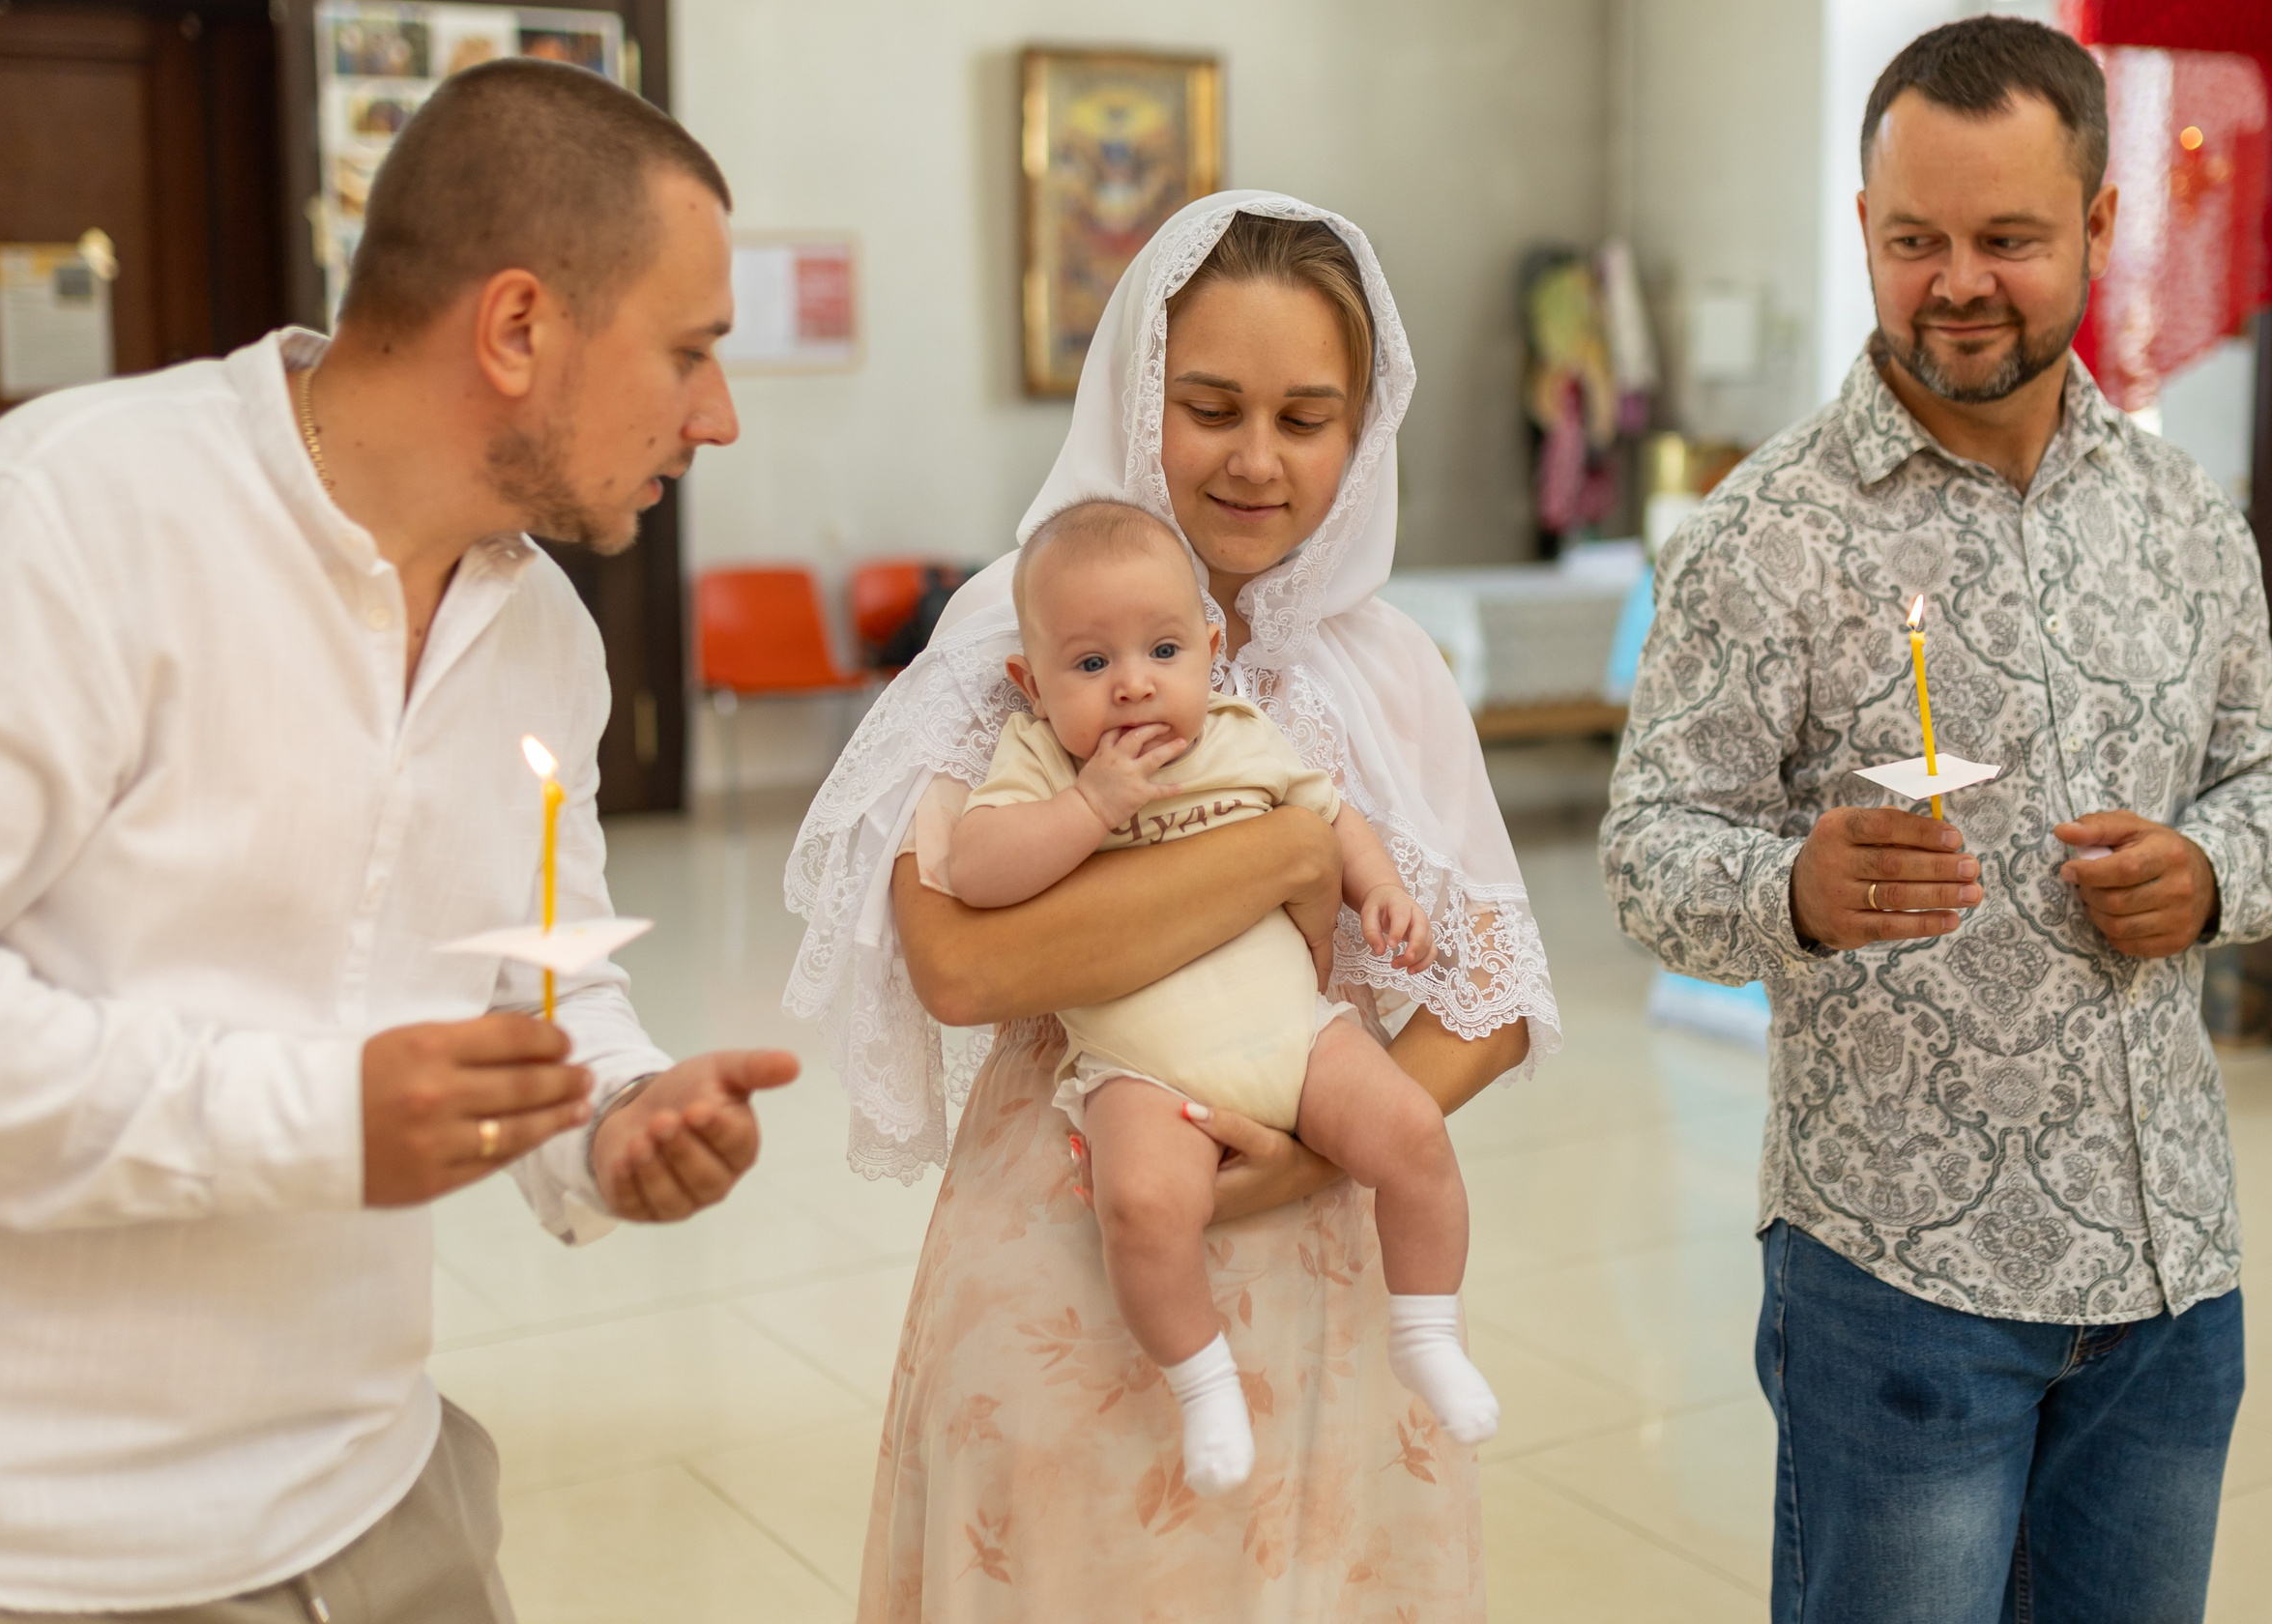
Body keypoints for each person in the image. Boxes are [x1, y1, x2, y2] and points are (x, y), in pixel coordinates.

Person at [0, 61, 795, 1620]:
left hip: (373, 1493)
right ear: (519, 326)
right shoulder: (59, 520)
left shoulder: (541, 631)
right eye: (691, 352)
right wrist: (314, 1120)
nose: (717, 416)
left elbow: (541, 971)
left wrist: (615, 1118)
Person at [785, 194, 1558, 1618]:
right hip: (1078, 1218)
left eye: (1306, 416)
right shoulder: (1010, 647)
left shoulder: (1390, 671)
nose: (1257, 459)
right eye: (1210, 407)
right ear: (1140, 398)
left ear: (1360, 431)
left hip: (1326, 1239)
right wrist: (1273, 860)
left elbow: (1495, 1000)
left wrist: (1321, 1153)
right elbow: (958, 965)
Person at [1602, 17, 2265, 1623]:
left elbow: (2260, 773)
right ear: (1865, 232)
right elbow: (1647, 857)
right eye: (1916, 240)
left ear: (2101, 228)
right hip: (1901, 1287)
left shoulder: (2185, 520)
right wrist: (1798, 892)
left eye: (2008, 238)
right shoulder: (1769, 536)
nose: (1956, 281)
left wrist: (2218, 871)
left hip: (2170, 1269)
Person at [946, 500, 1499, 1494]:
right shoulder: (1035, 763)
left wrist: (1384, 896)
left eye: (1162, 649)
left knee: (1412, 1134)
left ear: (1209, 650)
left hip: (1296, 1036)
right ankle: (1203, 1384)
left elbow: (1332, 822)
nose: (1132, 686)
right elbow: (977, 871)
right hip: (1143, 1072)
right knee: (1142, 1205)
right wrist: (1089, 806)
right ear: (1030, 684)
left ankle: (1427, 1329)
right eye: (1088, 664)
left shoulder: (1241, 735)